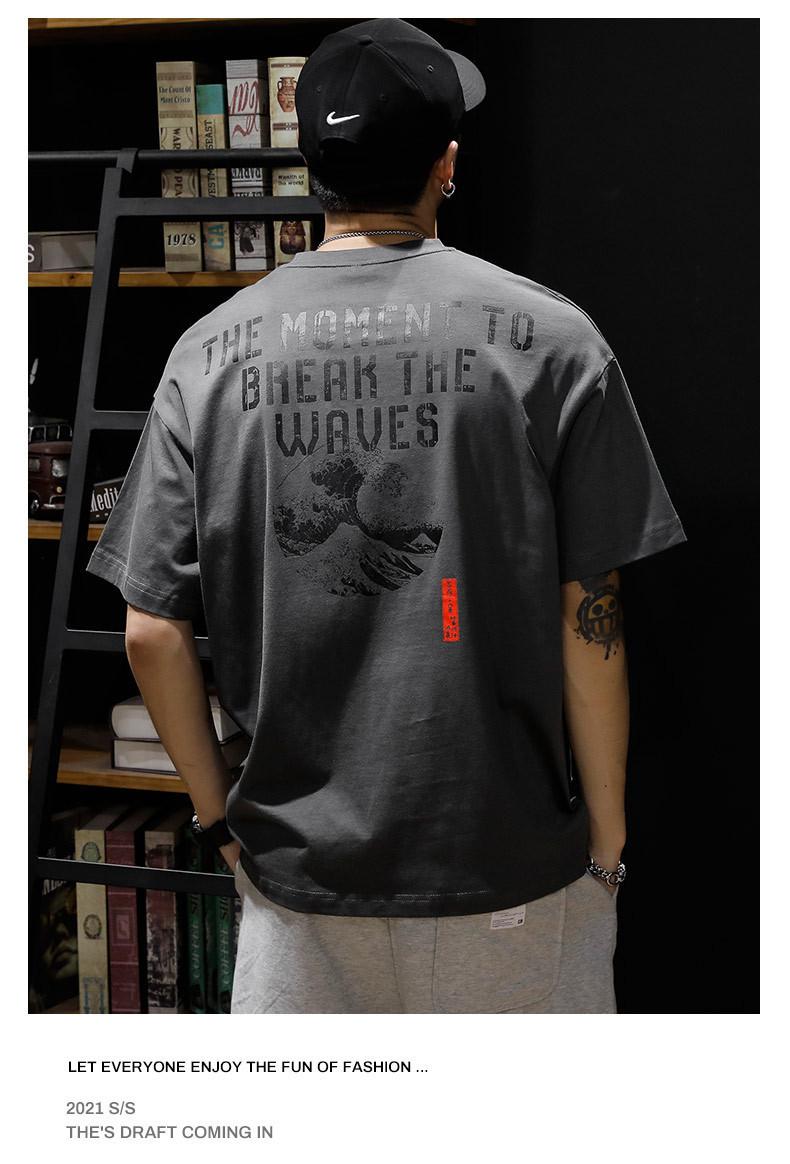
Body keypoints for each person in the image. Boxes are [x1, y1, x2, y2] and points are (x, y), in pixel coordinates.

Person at [85, 18, 687, 1014]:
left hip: (299, 895)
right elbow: (592, 614)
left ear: (311, 169)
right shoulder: (551, 341)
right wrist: (608, 842)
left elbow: (150, 630)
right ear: (445, 164)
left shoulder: (206, 356)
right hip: (511, 876)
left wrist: (215, 822)